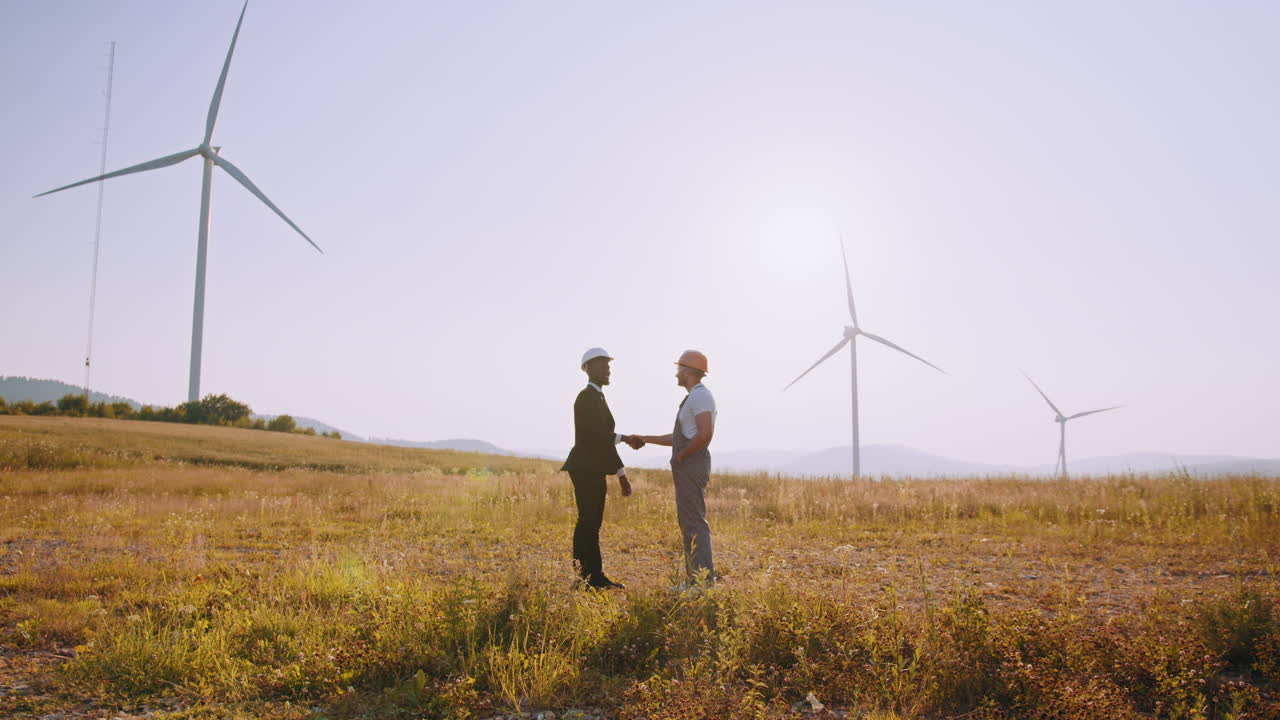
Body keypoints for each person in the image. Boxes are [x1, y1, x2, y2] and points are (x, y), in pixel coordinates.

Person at [628, 350, 716, 587]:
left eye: (679, 369)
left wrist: (682, 457)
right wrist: (646, 438)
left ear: (688, 371)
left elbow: (705, 434)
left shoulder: (700, 397)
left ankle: (703, 583)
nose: (676, 373)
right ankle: (695, 579)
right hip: (688, 464)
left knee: (694, 523)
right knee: (688, 522)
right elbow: (681, 437)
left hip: (691, 465)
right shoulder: (694, 398)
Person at [561, 347, 641, 590]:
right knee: (588, 521)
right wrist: (625, 438)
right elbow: (597, 436)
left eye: (608, 365)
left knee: (591, 522)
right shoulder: (585, 397)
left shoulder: (598, 397)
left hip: (592, 467)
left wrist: (621, 474)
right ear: (589, 368)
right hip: (584, 467)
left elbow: (605, 441)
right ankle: (588, 577)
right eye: (603, 365)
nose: (608, 369)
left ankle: (591, 575)